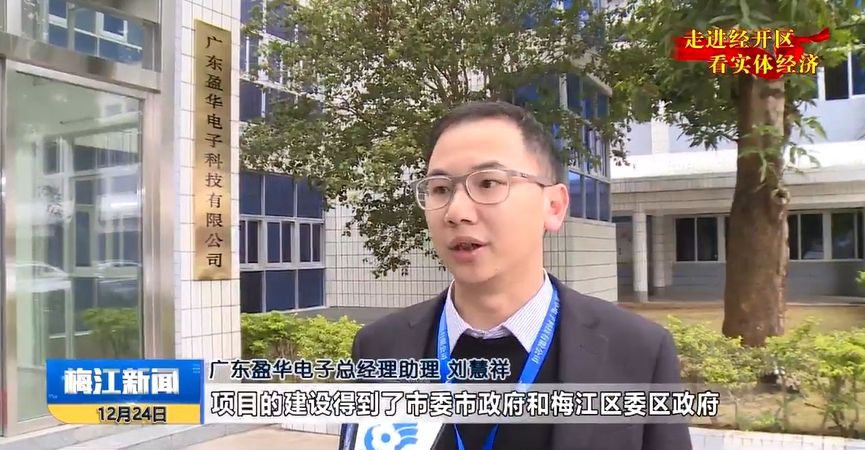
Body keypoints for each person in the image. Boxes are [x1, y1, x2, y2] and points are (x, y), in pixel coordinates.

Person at [339, 101, 693, 450]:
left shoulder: (638, 352)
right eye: (441, 189)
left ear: (553, 206)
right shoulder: (380, 348)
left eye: (488, 183)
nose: (456, 212)